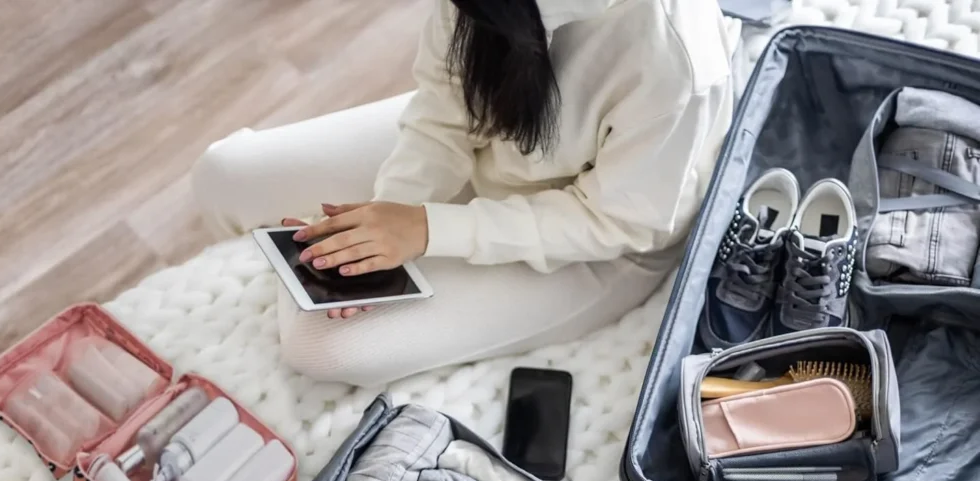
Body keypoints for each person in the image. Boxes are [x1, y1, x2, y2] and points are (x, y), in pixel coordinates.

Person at [192, 0, 737, 387]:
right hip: (498, 144)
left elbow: (618, 221)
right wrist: (391, 215)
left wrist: (429, 229)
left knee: (317, 344)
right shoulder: (489, 18)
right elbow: (444, 105)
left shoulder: (674, 56)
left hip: (601, 238)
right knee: (224, 176)